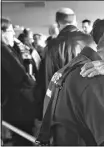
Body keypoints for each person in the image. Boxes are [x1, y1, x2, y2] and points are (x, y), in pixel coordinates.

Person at [36, 8, 95, 119]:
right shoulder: (91, 41)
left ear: (58, 23)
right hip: (90, 105)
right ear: (75, 21)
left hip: (63, 110)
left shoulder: (52, 46)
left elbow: (47, 80)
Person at [1, 17, 37, 146]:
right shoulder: (3, 50)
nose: (13, 35)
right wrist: (33, 83)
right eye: (11, 31)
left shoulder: (9, 48)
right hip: (16, 104)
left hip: (12, 104)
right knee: (22, 138)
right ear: (2, 32)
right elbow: (19, 75)